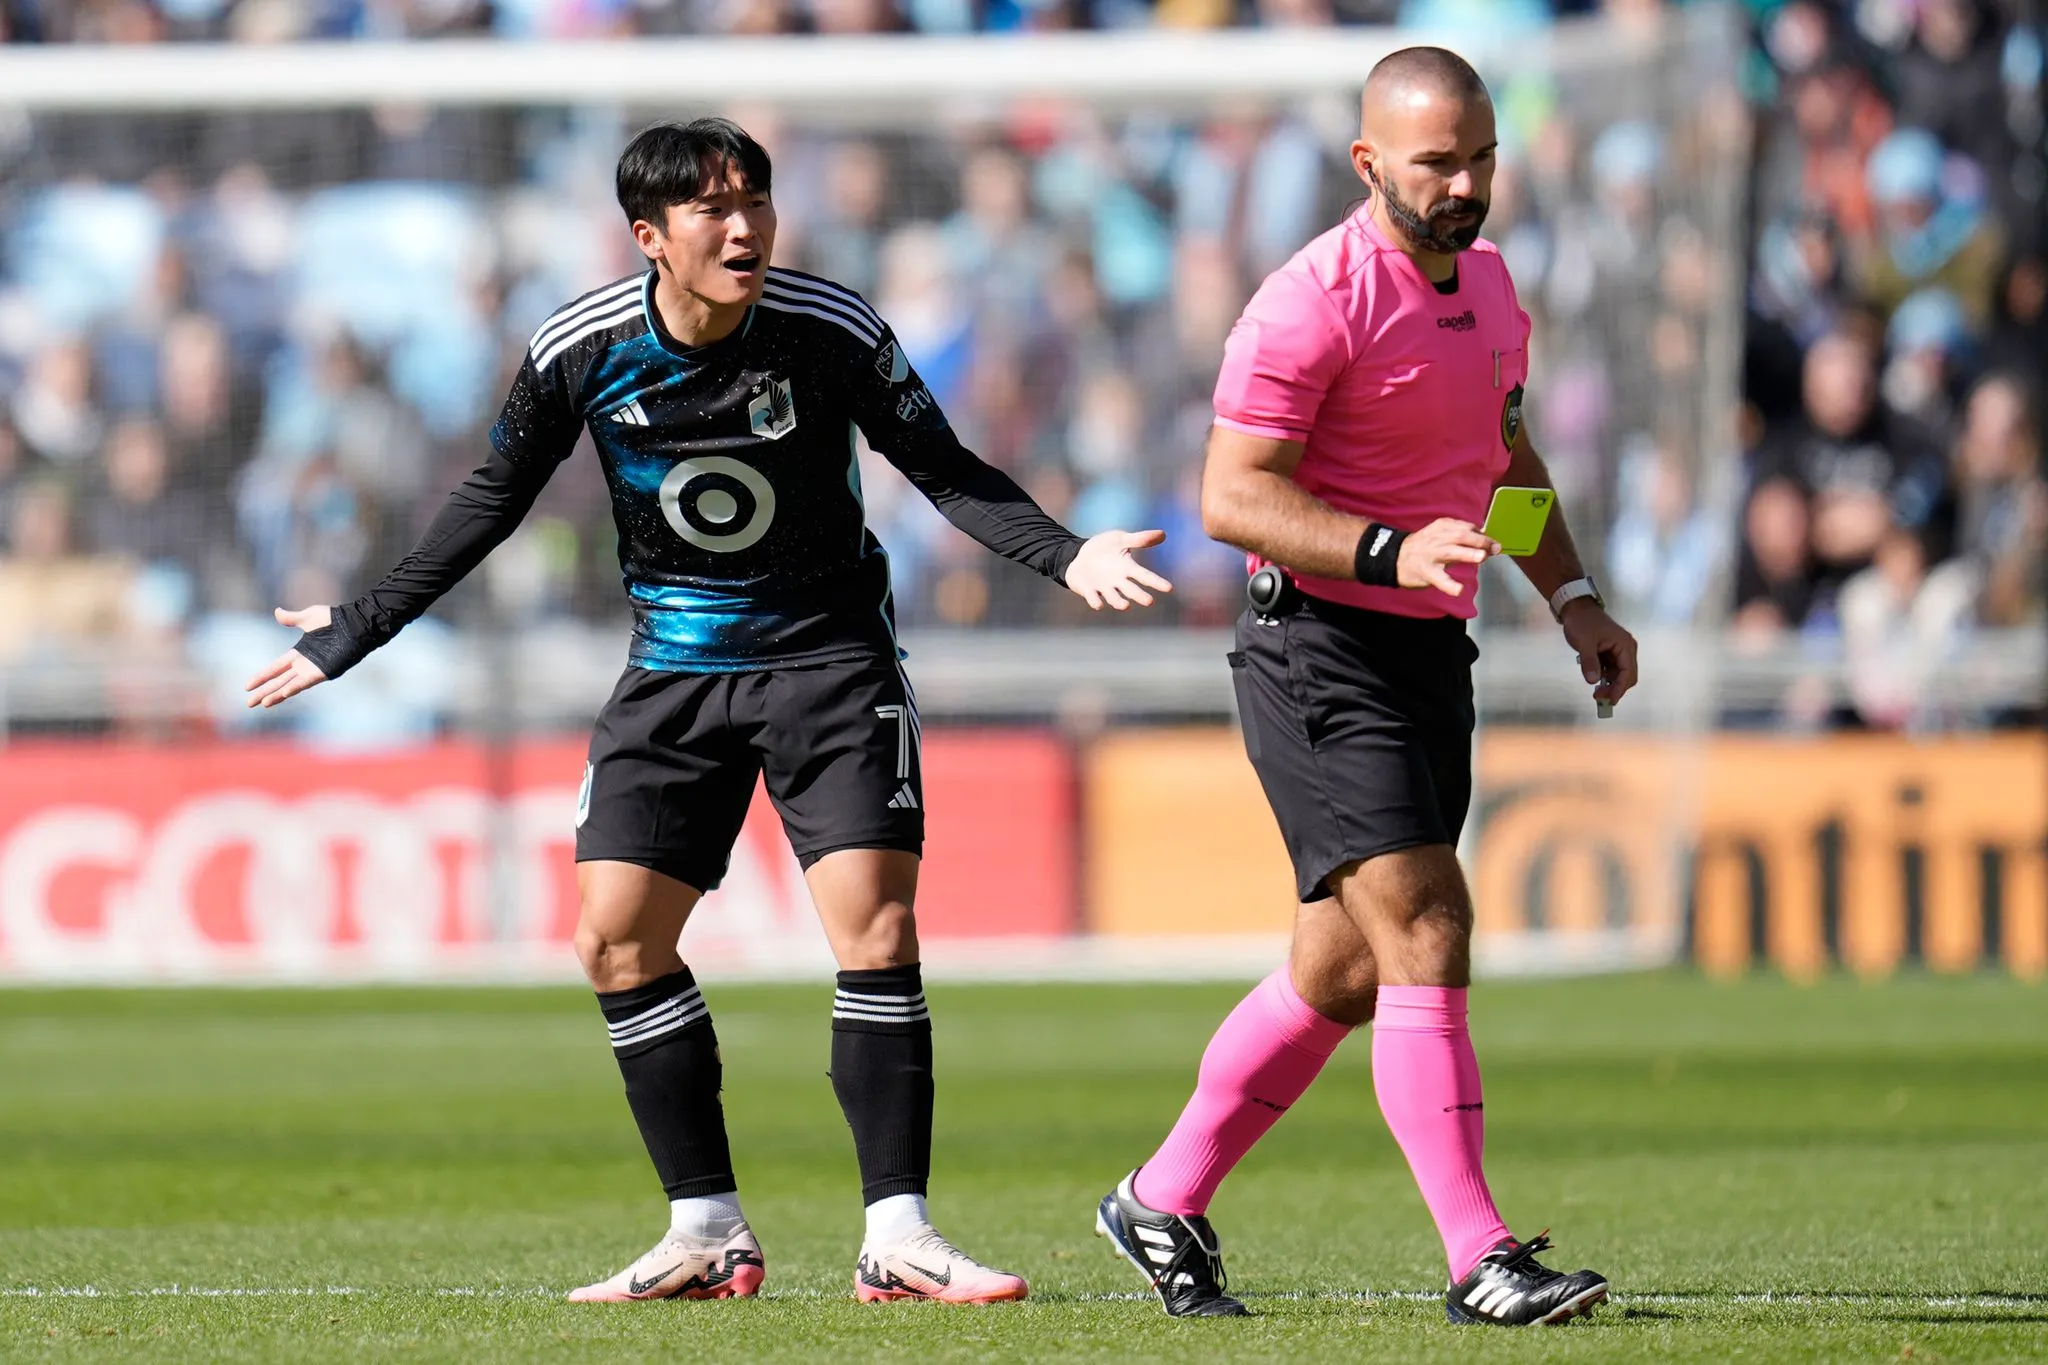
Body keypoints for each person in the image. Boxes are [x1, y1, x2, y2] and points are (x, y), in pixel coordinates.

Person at [245, 118, 1170, 1306]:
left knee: (875, 931)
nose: (743, 228)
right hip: (673, 669)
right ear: (650, 235)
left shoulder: (828, 329)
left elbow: (942, 468)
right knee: (614, 939)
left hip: (828, 660)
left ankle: (899, 1234)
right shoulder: (582, 346)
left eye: (756, 202)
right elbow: (491, 498)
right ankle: (707, 1231)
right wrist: (356, 629)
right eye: (712, 209)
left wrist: (1062, 552)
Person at [1092, 48, 1637, 1328]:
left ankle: (1158, 1200)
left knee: (1341, 974)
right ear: (1367, 162)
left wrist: (1569, 598)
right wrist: (1390, 549)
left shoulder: (1493, 287)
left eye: (1480, 158)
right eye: (1436, 161)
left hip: (1427, 650)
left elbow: (1499, 450)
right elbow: (1233, 498)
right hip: (1315, 648)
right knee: (1428, 927)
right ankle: (1480, 1258)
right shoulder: (1306, 301)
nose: (1463, 185)